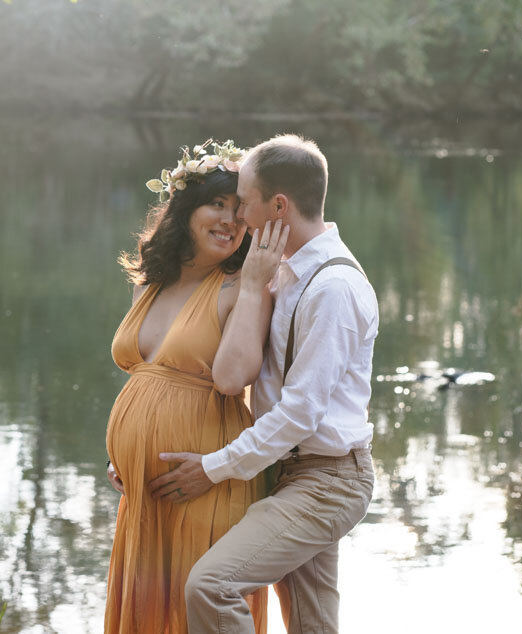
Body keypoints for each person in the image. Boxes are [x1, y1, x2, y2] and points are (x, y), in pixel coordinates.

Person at [147, 134, 378, 634]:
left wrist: (212, 469)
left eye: (246, 204)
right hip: (290, 474)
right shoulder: (283, 273)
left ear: (279, 205)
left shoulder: (334, 289)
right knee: (312, 626)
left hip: (328, 481)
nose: (239, 219)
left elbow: (299, 415)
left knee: (211, 586)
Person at [103, 139, 283, 634]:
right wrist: (124, 452)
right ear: (185, 209)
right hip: (142, 493)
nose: (229, 220)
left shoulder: (238, 289)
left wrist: (252, 287)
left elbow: (233, 378)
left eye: (239, 211)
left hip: (205, 478)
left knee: (193, 612)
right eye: (216, 204)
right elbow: (146, 378)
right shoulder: (149, 283)